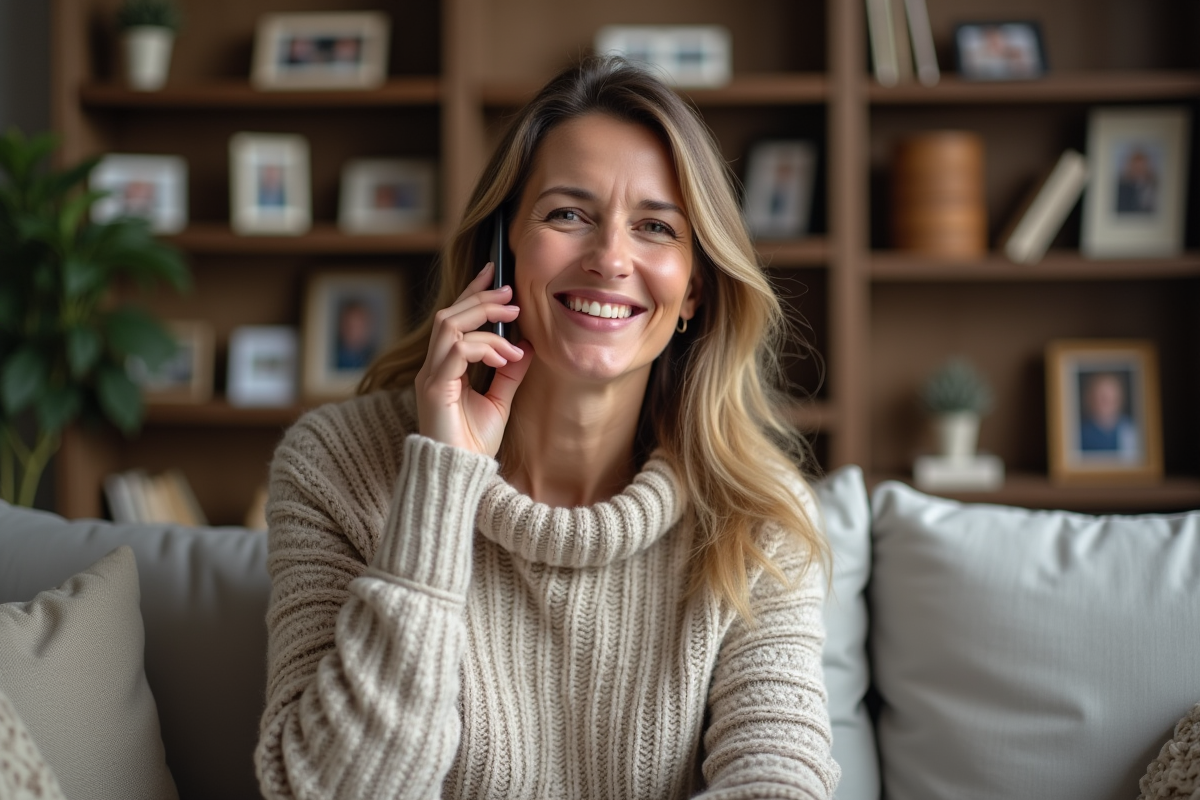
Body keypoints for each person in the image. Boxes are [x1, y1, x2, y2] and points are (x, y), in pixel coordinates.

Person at [255, 55, 839, 799]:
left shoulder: (757, 513)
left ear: (693, 291)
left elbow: (778, 786)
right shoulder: (334, 466)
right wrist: (440, 475)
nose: (610, 259)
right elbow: (322, 791)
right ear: (500, 252)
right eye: (568, 214)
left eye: (656, 227)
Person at [1079, 370, 1139, 459]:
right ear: (1089, 398)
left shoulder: (1131, 430)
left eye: (1111, 397)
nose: (1106, 401)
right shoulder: (1081, 434)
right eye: (1101, 397)